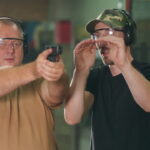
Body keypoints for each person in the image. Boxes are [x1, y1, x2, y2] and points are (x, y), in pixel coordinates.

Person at [64, 8, 150, 150]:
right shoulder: (95, 77)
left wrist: (123, 64)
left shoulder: (145, 72)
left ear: (127, 35)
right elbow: (72, 117)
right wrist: (80, 71)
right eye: (97, 35)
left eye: (108, 33)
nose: (101, 42)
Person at [0, 17, 69, 150]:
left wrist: (56, 74)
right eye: (2, 43)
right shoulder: (33, 72)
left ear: (24, 48)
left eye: (16, 43)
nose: (10, 50)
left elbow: (55, 95)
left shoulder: (37, 81)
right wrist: (35, 69)